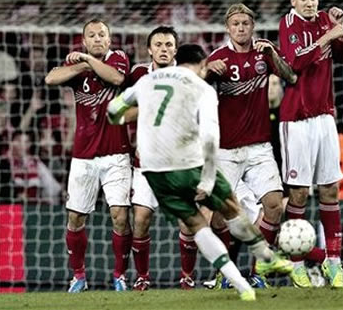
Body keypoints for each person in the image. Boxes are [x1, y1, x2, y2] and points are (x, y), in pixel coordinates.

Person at [107, 43, 293, 301]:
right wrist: (207, 177)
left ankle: (242, 286)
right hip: (186, 163)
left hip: (152, 170)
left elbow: (113, 111)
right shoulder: (202, 88)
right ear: (202, 64)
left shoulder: (146, 82)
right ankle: (265, 256)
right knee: (231, 208)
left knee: (196, 225)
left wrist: (139, 119)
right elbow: (209, 135)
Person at [206, 3, 297, 288]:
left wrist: (273, 55)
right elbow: (195, 91)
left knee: (273, 207)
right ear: (228, 28)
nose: (241, 28)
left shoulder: (263, 53)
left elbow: (290, 76)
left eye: (246, 23)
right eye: (236, 24)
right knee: (219, 215)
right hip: (226, 151)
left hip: (259, 148)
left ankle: (258, 272)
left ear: (252, 26)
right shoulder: (218, 58)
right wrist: (207, 71)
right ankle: (226, 271)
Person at [45, 18, 132, 293]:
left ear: (109, 39)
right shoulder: (79, 66)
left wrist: (82, 61)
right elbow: (50, 78)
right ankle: (79, 276)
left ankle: (119, 275)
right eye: (91, 35)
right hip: (83, 156)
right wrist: (82, 63)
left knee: (120, 215)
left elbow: (117, 79)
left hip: (116, 154)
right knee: (76, 219)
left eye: (101, 34)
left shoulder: (118, 58)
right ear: (84, 41)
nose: (97, 39)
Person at [278, 0, 343, 288]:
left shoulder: (325, 20)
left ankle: (333, 263)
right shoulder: (288, 24)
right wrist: (326, 37)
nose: (309, 3)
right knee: (298, 193)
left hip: (324, 118)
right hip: (296, 120)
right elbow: (294, 63)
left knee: (330, 189)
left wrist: (340, 34)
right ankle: (296, 265)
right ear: (293, 1)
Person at [124, 26, 200, 291]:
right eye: (158, 44)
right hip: (145, 165)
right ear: (149, 49)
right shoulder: (136, 75)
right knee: (142, 218)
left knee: (186, 222)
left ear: (175, 50)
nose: (163, 49)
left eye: (168, 45)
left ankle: (187, 277)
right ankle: (142, 276)